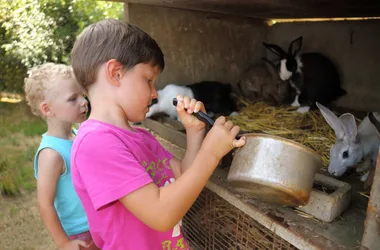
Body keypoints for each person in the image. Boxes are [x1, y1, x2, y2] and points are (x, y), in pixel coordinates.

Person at [70, 18, 246, 250]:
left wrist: (195, 133)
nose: (154, 94)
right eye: (149, 80)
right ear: (116, 73)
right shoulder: (96, 143)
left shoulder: (142, 137)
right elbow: (161, 213)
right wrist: (211, 154)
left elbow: (184, 175)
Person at [24, 63, 98, 250]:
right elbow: (44, 204)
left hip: (97, 223)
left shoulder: (76, 133)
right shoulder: (51, 154)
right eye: (73, 99)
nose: (84, 102)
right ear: (47, 109)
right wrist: (64, 243)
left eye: (82, 94)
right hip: (80, 232)